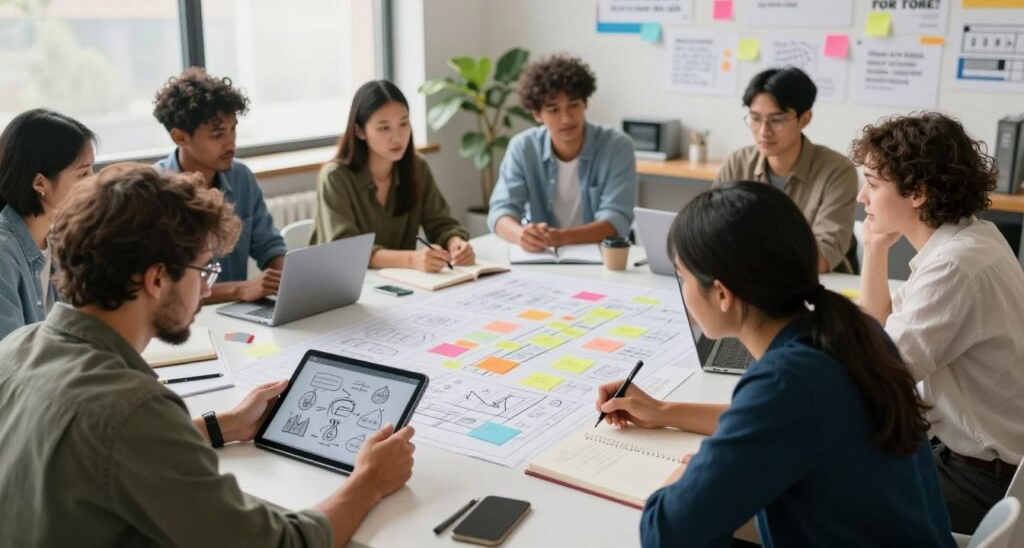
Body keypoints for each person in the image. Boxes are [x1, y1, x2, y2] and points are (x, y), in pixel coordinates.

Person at [0, 163, 415, 547]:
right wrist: (369, 481)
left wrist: (223, 425)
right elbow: (280, 544)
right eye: (203, 271)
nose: (205, 289)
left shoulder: (15, 350)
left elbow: (110, 453)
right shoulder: (132, 409)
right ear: (157, 278)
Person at [596, 182, 953, 547]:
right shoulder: (853, 331)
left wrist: (688, 475)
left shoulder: (788, 383)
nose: (683, 291)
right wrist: (662, 410)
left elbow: (665, 534)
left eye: (682, 277)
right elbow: (777, 420)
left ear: (722, 294)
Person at [854, 112, 1024, 534]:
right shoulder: (972, 238)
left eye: (873, 185)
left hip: (979, 481)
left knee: (814, 499)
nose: (862, 197)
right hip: (968, 460)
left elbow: (877, 377)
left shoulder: (953, 266)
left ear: (918, 193)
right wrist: (875, 248)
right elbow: (878, 333)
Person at [153, 67, 287, 303]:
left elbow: (270, 246)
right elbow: (164, 288)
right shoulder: (153, 191)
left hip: (236, 316)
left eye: (233, 129)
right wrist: (240, 290)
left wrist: (287, 280)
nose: (231, 143)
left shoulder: (241, 177)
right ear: (180, 137)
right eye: (217, 134)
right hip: (180, 322)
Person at [310, 79, 473, 272]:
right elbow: (347, 249)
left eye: (403, 123)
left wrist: (455, 243)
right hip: (340, 287)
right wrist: (411, 260)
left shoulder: (417, 167)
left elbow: (440, 223)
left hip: (401, 285)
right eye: (384, 127)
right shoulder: (335, 177)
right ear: (359, 131)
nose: (398, 137)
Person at [714, 67, 857, 273]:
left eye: (777, 120)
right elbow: (711, 232)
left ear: (805, 119)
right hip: (747, 279)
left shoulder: (837, 171)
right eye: (755, 119)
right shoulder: (738, 163)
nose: (764, 131)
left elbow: (823, 257)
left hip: (817, 283)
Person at [488, 54, 636, 252]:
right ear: (537, 114)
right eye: (553, 109)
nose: (566, 118)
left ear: (585, 103)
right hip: (542, 257)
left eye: (573, 105)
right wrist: (521, 234)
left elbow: (616, 219)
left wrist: (560, 237)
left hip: (600, 259)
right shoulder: (523, 148)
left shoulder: (617, 147)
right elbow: (501, 211)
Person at [0, 108, 95, 340]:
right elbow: (9, 362)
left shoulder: (62, 239)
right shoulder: (3, 254)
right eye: (83, 174)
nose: (94, 181)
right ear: (40, 183)